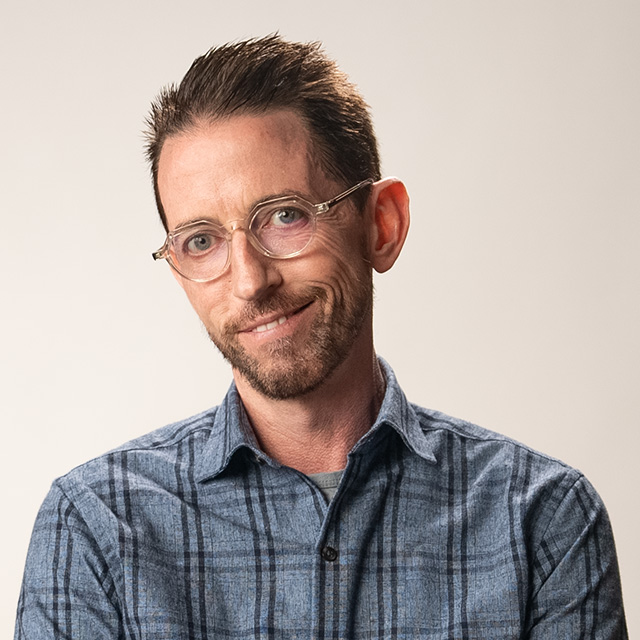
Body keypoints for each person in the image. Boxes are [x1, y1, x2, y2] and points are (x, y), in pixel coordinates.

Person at [15, 35, 627, 639]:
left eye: (286, 216)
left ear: (381, 225)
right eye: (201, 241)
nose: (250, 281)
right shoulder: (95, 526)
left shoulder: (543, 521)